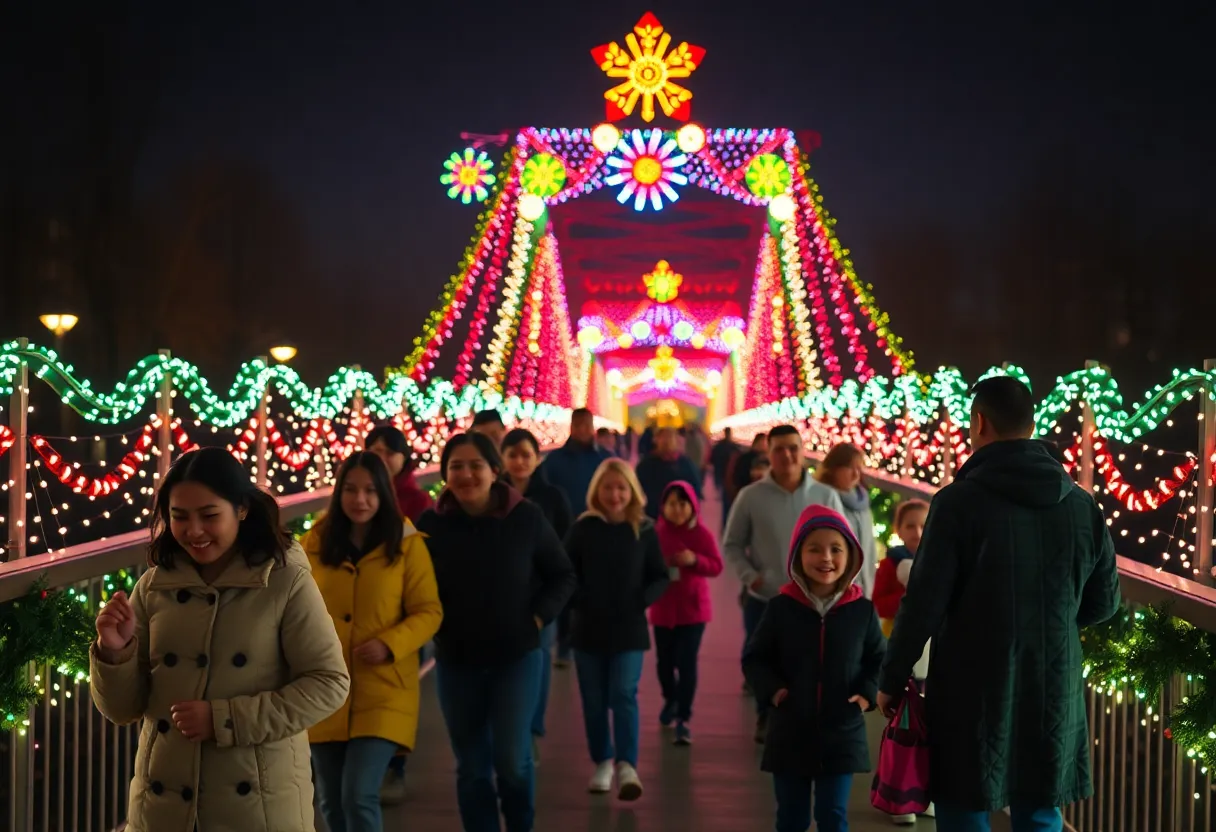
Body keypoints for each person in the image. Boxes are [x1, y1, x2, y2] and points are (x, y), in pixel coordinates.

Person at [878, 376, 1121, 832]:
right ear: (1032, 425)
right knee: (1041, 808)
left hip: (971, 687)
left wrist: (891, 678)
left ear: (978, 422)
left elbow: (924, 604)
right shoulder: (1082, 505)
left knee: (964, 803)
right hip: (1053, 681)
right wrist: (1052, 627)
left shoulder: (956, 503)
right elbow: (1105, 602)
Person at [90, 447, 350, 832]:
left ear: (241, 509)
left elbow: (330, 684)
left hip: (256, 810)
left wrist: (225, 720)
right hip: (162, 812)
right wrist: (115, 651)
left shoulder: (283, 581)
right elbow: (123, 709)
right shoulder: (153, 585)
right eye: (179, 517)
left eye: (209, 516)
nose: (193, 531)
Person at [418, 432, 576, 832]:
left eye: (476, 466)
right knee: (471, 766)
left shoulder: (525, 517)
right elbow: (410, 586)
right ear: (445, 473)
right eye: (456, 466)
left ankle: (521, 824)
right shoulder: (431, 525)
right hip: (456, 661)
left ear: (495, 470)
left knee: (511, 760)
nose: (466, 474)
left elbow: (562, 574)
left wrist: (538, 619)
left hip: (516, 657)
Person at [304, 452, 443, 832]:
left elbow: (429, 611)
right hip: (326, 690)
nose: (359, 499)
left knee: (358, 795)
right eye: (350, 490)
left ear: (384, 494)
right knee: (331, 801)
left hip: (384, 686)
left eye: (369, 491)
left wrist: (391, 643)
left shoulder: (406, 543)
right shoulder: (312, 545)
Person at [743, 505, 885, 832]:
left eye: (836, 549)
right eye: (814, 549)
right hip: (789, 731)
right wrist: (775, 692)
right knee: (791, 818)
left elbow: (879, 658)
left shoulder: (861, 612)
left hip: (842, 733)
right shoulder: (781, 609)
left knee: (832, 815)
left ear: (850, 557)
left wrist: (865, 695)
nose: (826, 558)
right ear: (797, 557)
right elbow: (755, 658)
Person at [723, 424, 847, 744]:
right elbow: (732, 544)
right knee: (765, 663)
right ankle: (767, 716)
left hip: (815, 600)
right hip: (766, 597)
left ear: (803, 449)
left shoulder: (825, 495)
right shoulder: (752, 496)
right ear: (769, 453)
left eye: (793, 447)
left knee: (810, 663)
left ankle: (808, 722)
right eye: (779, 449)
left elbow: (844, 543)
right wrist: (752, 577)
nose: (787, 455)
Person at [565, 459, 669, 800]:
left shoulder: (644, 530)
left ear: (632, 492)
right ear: (597, 491)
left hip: (629, 628)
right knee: (594, 700)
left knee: (623, 693)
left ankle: (627, 763)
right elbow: (567, 574)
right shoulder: (583, 529)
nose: (614, 495)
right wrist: (581, 600)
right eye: (608, 487)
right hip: (588, 628)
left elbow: (659, 575)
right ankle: (603, 759)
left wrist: (641, 600)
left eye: (621, 488)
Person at [364, 423, 434, 802]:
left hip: (403, 618)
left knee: (399, 694)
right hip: (361, 620)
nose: (381, 455)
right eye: (373, 448)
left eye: (388, 449)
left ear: (404, 457)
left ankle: (395, 769)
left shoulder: (418, 503)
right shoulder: (355, 498)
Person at [500, 427, 574, 764]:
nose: (519, 461)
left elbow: (565, 546)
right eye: (512, 454)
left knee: (539, 662)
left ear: (537, 458)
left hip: (541, 595)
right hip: (500, 597)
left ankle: (531, 730)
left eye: (525, 455)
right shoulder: (491, 495)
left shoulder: (553, 498)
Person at [649, 481, 723, 746]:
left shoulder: (701, 535)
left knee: (687, 662)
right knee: (664, 663)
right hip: (662, 609)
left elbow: (716, 566)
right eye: (672, 504)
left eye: (683, 504)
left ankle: (683, 717)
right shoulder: (655, 534)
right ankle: (670, 697)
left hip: (693, 612)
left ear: (692, 506)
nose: (677, 510)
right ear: (663, 507)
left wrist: (695, 560)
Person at [538, 407, 613, 665]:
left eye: (586, 425)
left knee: (595, 586)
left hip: (598, 533)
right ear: (571, 427)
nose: (583, 430)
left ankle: (590, 638)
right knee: (564, 588)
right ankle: (564, 643)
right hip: (563, 534)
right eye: (578, 425)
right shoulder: (555, 461)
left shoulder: (605, 459)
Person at [814, 443, 879, 598]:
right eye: (850, 468)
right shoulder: (823, 501)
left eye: (859, 468)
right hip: (834, 594)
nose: (856, 474)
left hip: (863, 592)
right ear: (834, 469)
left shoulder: (862, 504)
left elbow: (869, 550)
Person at [872, 500, 929, 637]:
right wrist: (909, 597)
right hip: (893, 635)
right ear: (898, 530)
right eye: (910, 526)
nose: (917, 532)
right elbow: (877, 605)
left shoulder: (938, 565)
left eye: (924, 526)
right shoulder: (890, 564)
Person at [366, 423, 433, 523]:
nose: (382, 459)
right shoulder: (359, 494)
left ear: (404, 457)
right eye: (376, 451)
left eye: (390, 453)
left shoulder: (419, 501)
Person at [635, 427, 702, 519]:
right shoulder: (645, 465)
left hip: (680, 515)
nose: (666, 441)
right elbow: (638, 490)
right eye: (662, 437)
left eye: (670, 437)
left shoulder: (685, 463)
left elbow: (695, 487)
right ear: (655, 440)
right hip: (654, 515)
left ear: (676, 440)